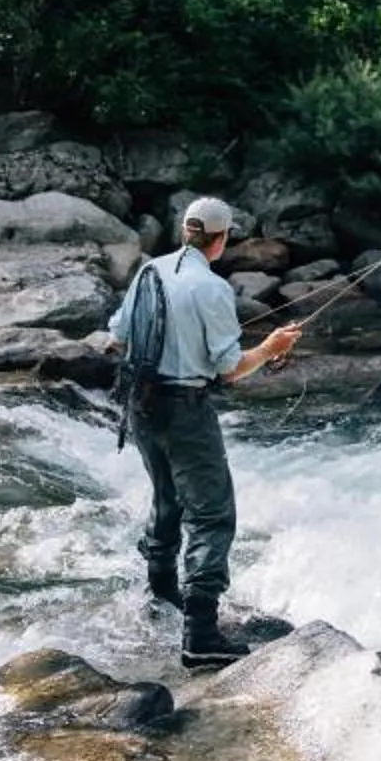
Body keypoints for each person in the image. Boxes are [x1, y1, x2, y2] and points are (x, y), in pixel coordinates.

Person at [109, 195, 300, 669]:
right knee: (213, 515)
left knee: (167, 498)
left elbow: (119, 335)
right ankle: (200, 635)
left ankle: (160, 597)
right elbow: (231, 370)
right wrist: (271, 347)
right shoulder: (212, 288)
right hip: (184, 411)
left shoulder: (148, 271)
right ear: (222, 238)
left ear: (184, 232)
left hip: (140, 405)